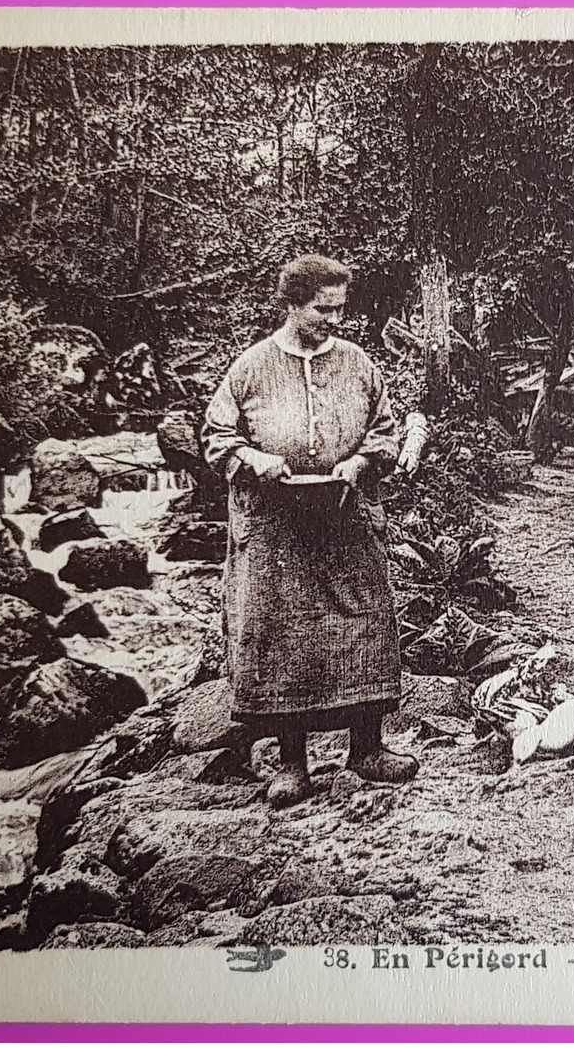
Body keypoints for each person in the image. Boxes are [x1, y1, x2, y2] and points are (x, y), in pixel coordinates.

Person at [202, 254, 418, 808]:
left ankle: (367, 748)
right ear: (293, 304)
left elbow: (385, 432)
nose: (335, 320)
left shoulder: (360, 365)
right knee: (285, 631)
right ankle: (292, 763)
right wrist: (255, 459)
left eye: (341, 309)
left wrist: (361, 463)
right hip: (277, 527)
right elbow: (216, 439)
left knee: (364, 621)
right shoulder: (249, 369)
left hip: (345, 516)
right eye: (324, 310)